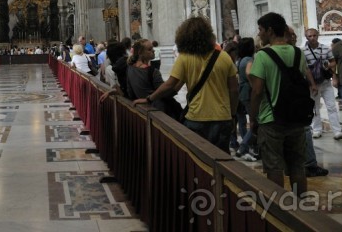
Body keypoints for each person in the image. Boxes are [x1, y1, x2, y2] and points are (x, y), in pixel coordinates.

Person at [134, 17, 238, 153]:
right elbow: (234, 90)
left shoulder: (185, 57)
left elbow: (170, 85)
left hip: (196, 117)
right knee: (221, 161)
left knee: (197, 161)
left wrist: (149, 99)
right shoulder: (224, 57)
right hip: (222, 118)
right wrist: (233, 114)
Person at [249, 13, 313, 194]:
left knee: (274, 166)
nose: (259, 33)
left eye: (261, 29)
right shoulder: (298, 53)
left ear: (270, 30)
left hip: (271, 119)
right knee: (297, 165)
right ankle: (300, 206)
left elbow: (257, 90)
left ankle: (278, 209)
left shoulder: (263, 55)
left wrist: (253, 118)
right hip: (296, 117)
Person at [303, 28, 341, 139]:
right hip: (312, 83)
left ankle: (337, 130)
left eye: (314, 35)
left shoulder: (325, 48)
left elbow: (333, 62)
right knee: (315, 108)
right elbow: (304, 68)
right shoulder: (303, 51)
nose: (312, 38)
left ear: (318, 35)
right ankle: (316, 129)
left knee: (331, 106)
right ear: (306, 37)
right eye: (310, 36)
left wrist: (328, 66)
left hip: (325, 82)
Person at [234, 38, 258, 161]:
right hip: (248, 93)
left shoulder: (241, 60)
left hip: (243, 93)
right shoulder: (249, 60)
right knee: (255, 122)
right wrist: (254, 85)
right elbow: (249, 73)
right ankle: (243, 146)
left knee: (252, 121)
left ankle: (252, 147)